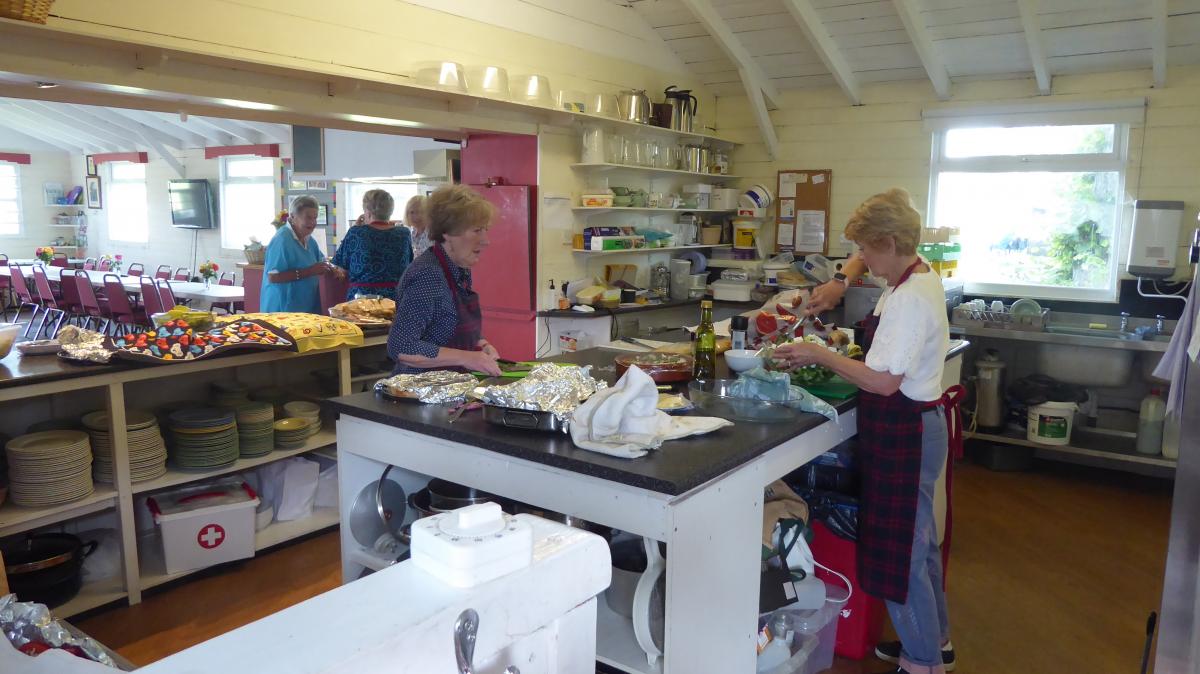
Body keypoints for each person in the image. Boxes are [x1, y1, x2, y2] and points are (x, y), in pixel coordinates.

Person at [775, 189, 956, 674]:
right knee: (921, 541)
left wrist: (817, 354)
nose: (865, 261)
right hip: (919, 426)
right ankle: (935, 640)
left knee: (902, 552)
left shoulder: (910, 299)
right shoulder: (916, 275)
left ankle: (922, 664)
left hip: (906, 431)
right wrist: (835, 293)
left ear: (892, 242)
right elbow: (865, 264)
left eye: (869, 250)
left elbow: (881, 380)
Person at [387, 185, 502, 376]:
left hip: (449, 386)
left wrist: (481, 343)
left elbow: (445, 324)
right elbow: (402, 346)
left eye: (485, 230)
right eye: (476, 231)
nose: (485, 240)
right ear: (448, 232)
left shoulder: (458, 269)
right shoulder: (428, 274)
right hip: (419, 390)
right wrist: (467, 357)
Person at [329, 189, 413, 301]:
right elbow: (409, 264)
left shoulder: (356, 233)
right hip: (394, 300)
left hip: (361, 300)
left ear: (368, 213)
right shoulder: (404, 233)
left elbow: (341, 267)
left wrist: (356, 227)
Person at [260, 195, 332, 313]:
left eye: (315, 218)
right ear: (292, 217)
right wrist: (309, 271)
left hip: (305, 307)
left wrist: (331, 267)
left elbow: (321, 261)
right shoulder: (282, 240)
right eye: (308, 218)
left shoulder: (310, 240)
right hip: (283, 308)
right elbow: (273, 276)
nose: (313, 222)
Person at [404, 194, 433, 258]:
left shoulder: (433, 233)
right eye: (412, 212)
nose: (416, 217)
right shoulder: (410, 231)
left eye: (421, 212)